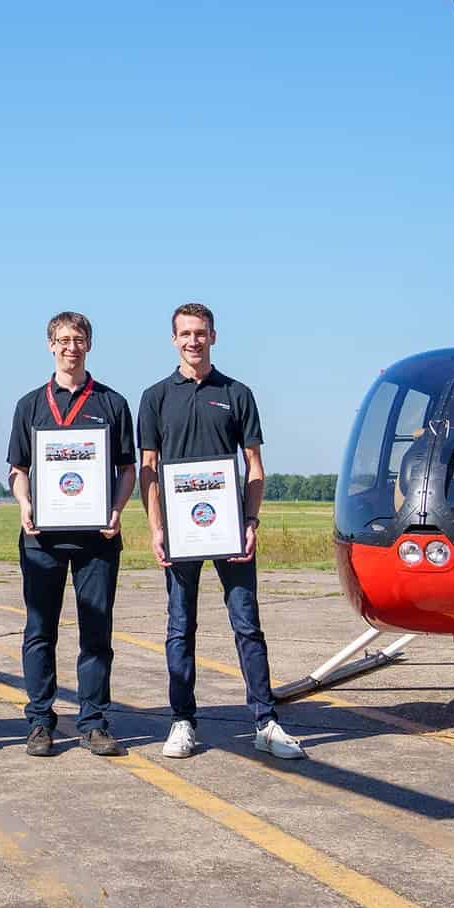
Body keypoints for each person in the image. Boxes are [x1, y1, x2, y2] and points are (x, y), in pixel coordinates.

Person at [137, 302, 305, 760]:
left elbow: (254, 466)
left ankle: (265, 722)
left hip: (229, 530)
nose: (193, 340)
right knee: (180, 627)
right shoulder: (155, 397)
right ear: (174, 339)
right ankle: (182, 721)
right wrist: (156, 527)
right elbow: (148, 468)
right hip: (180, 534)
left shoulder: (236, 393)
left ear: (213, 336)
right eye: (185, 333)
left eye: (201, 332)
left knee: (247, 625)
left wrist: (250, 522)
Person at [6, 311, 137, 757]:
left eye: (78, 339)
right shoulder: (30, 405)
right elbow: (17, 470)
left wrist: (116, 510)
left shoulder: (112, 403)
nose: (70, 347)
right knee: (39, 631)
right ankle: (40, 722)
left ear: (89, 345)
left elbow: (127, 469)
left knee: (96, 633)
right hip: (41, 539)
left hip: (97, 540)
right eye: (63, 340)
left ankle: (94, 722)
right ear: (50, 345)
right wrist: (24, 504)